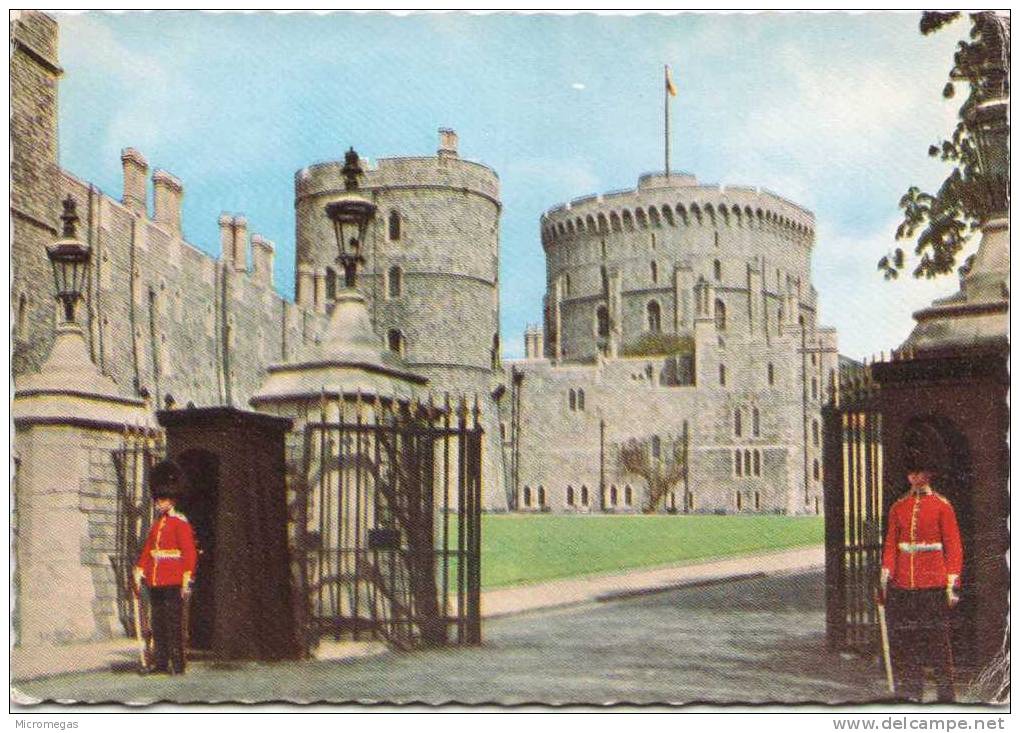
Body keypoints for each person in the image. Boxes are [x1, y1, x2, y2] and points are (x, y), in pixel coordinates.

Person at [880, 457, 963, 702]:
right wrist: (886, 575)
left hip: (934, 583)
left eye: (920, 473)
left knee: (938, 644)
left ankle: (946, 697)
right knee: (910, 642)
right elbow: (891, 545)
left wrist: (952, 583)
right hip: (905, 584)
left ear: (929, 474)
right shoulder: (899, 507)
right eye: (911, 473)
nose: (915, 478)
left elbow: (954, 547)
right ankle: (911, 695)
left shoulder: (942, 506)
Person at [133, 459, 197, 674]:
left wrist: (187, 576)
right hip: (155, 578)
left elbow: (188, 552)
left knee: (173, 623)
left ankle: (177, 664)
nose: (157, 503)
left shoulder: (180, 523)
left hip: (173, 578)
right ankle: (160, 662)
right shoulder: (157, 524)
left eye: (161, 500)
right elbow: (148, 550)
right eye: (157, 499)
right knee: (158, 622)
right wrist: (140, 568)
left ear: (171, 499)